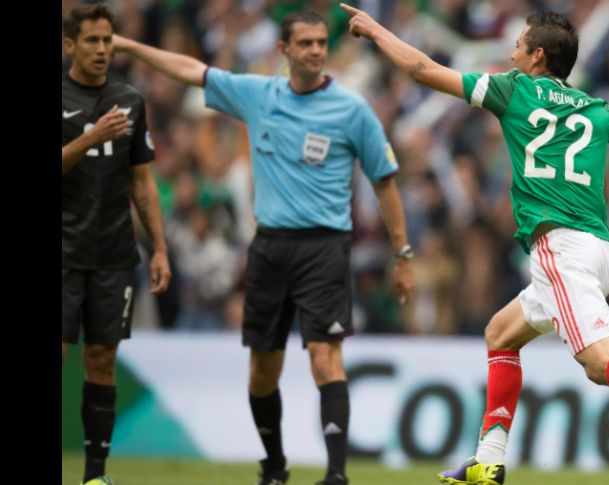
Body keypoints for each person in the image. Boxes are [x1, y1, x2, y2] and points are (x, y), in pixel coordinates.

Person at [341, 5, 609, 485]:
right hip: (596, 248)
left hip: (560, 249)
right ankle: (489, 461)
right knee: (500, 333)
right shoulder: (598, 110)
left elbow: (422, 69)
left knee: (599, 363)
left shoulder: (512, 90)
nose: (510, 53)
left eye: (517, 45)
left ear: (537, 56)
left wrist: (374, 29)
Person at [113, 9, 415, 485]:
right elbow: (193, 71)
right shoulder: (258, 95)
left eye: (321, 42)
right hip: (270, 247)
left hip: (325, 247)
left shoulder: (352, 109)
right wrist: (130, 48)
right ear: (284, 51)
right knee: (262, 372)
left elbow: (386, 183)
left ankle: (336, 475)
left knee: (324, 357)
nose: (316, 50)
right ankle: (274, 466)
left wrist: (403, 254)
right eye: (306, 43)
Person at [62, 4, 172, 485]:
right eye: (92, 41)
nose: (103, 49)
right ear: (69, 45)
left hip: (112, 255)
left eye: (108, 40)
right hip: (63, 255)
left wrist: (162, 248)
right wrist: (90, 138)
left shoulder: (130, 99)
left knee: (102, 360)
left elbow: (143, 184)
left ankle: (94, 476)